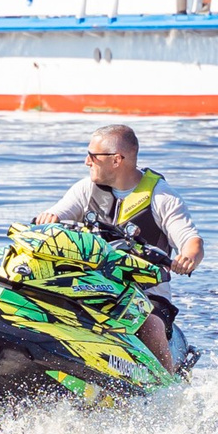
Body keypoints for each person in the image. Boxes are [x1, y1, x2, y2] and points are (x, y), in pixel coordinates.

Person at [35, 123, 203, 372]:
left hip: (145, 294)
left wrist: (188, 257)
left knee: (149, 325)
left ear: (116, 160)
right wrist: (49, 219)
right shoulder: (85, 189)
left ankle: (169, 390)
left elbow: (192, 241)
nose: (86, 161)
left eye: (93, 155)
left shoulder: (161, 197)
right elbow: (59, 212)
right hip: (91, 284)